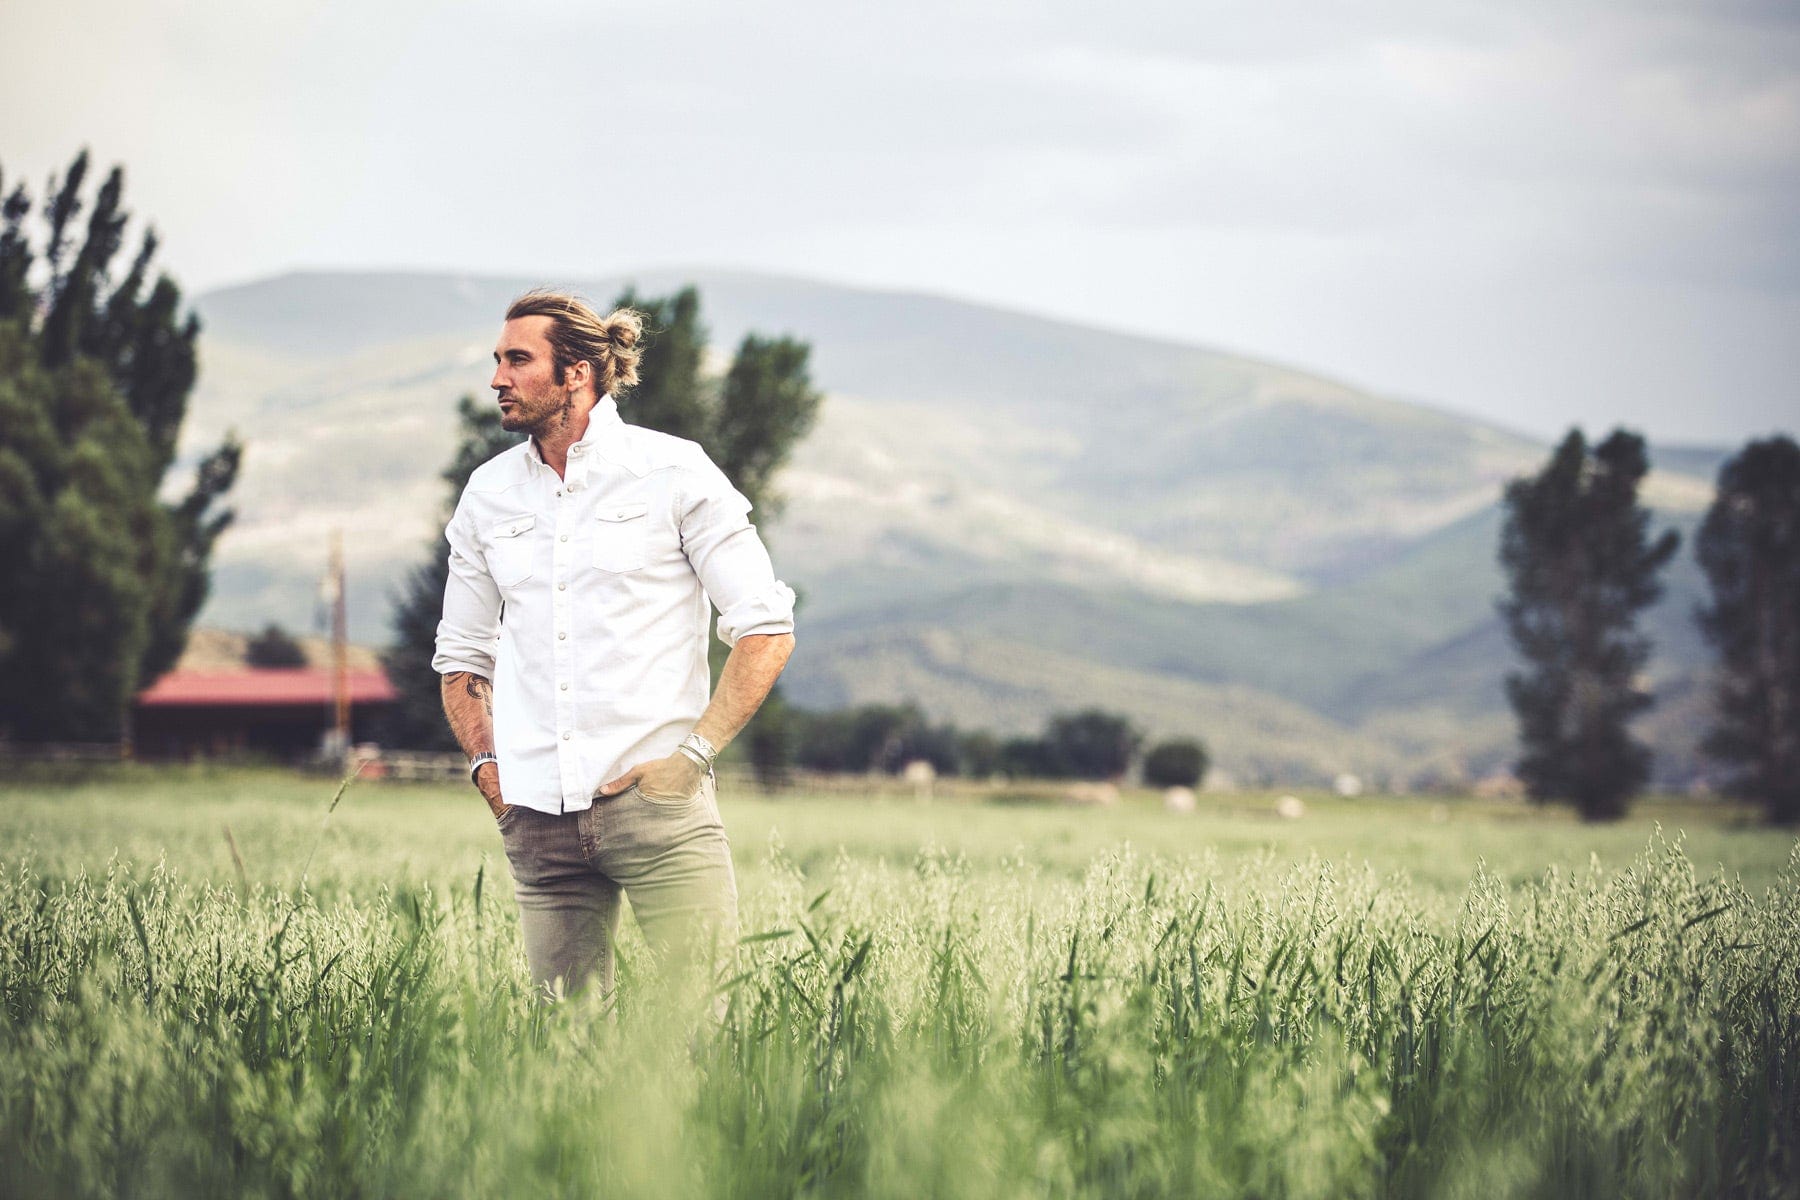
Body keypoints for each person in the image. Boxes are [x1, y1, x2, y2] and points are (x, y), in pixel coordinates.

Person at [432, 289, 796, 1003]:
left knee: (703, 1026)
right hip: (535, 821)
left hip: (658, 809)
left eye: (518, 360)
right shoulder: (488, 493)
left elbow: (766, 628)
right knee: (563, 1051)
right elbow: (462, 656)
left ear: (577, 373)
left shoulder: (676, 472)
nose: (498, 379)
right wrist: (489, 771)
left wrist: (689, 762)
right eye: (497, 361)